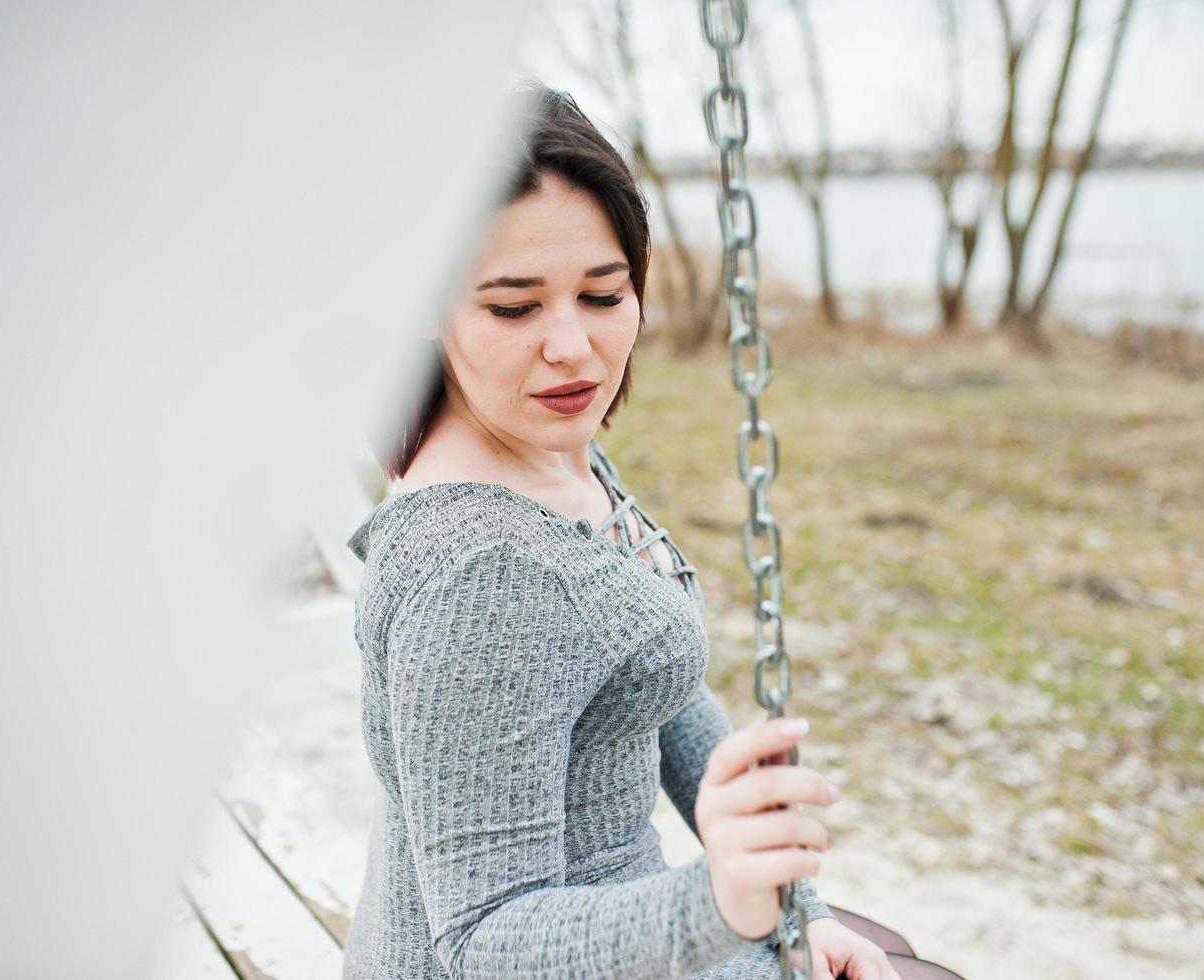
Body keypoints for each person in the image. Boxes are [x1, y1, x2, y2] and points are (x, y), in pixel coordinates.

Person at [341, 81, 964, 980]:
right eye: (513, 308)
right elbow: (480, 943)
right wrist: (717, 904)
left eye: (603, 294)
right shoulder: (478, 573)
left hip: (621, 933)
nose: (573, 348)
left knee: (888, 958)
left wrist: (795, 909)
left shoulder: (544, 448)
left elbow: (656, 686)